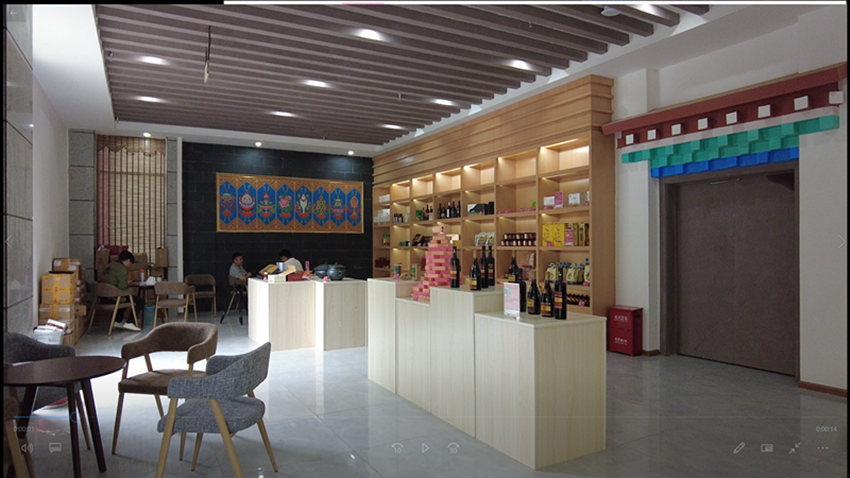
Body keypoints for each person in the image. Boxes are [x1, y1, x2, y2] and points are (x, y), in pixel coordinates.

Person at [99, 250, 143, 331]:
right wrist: (128, 285)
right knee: (139, 301)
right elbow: (122, 287)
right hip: (112, 298)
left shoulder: (110, 265)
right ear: (128, 260)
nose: (130, 266)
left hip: (101, 297)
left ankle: (118, 320)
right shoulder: (122, 269)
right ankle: (130, 322)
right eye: (131, 263)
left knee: (124, 298)